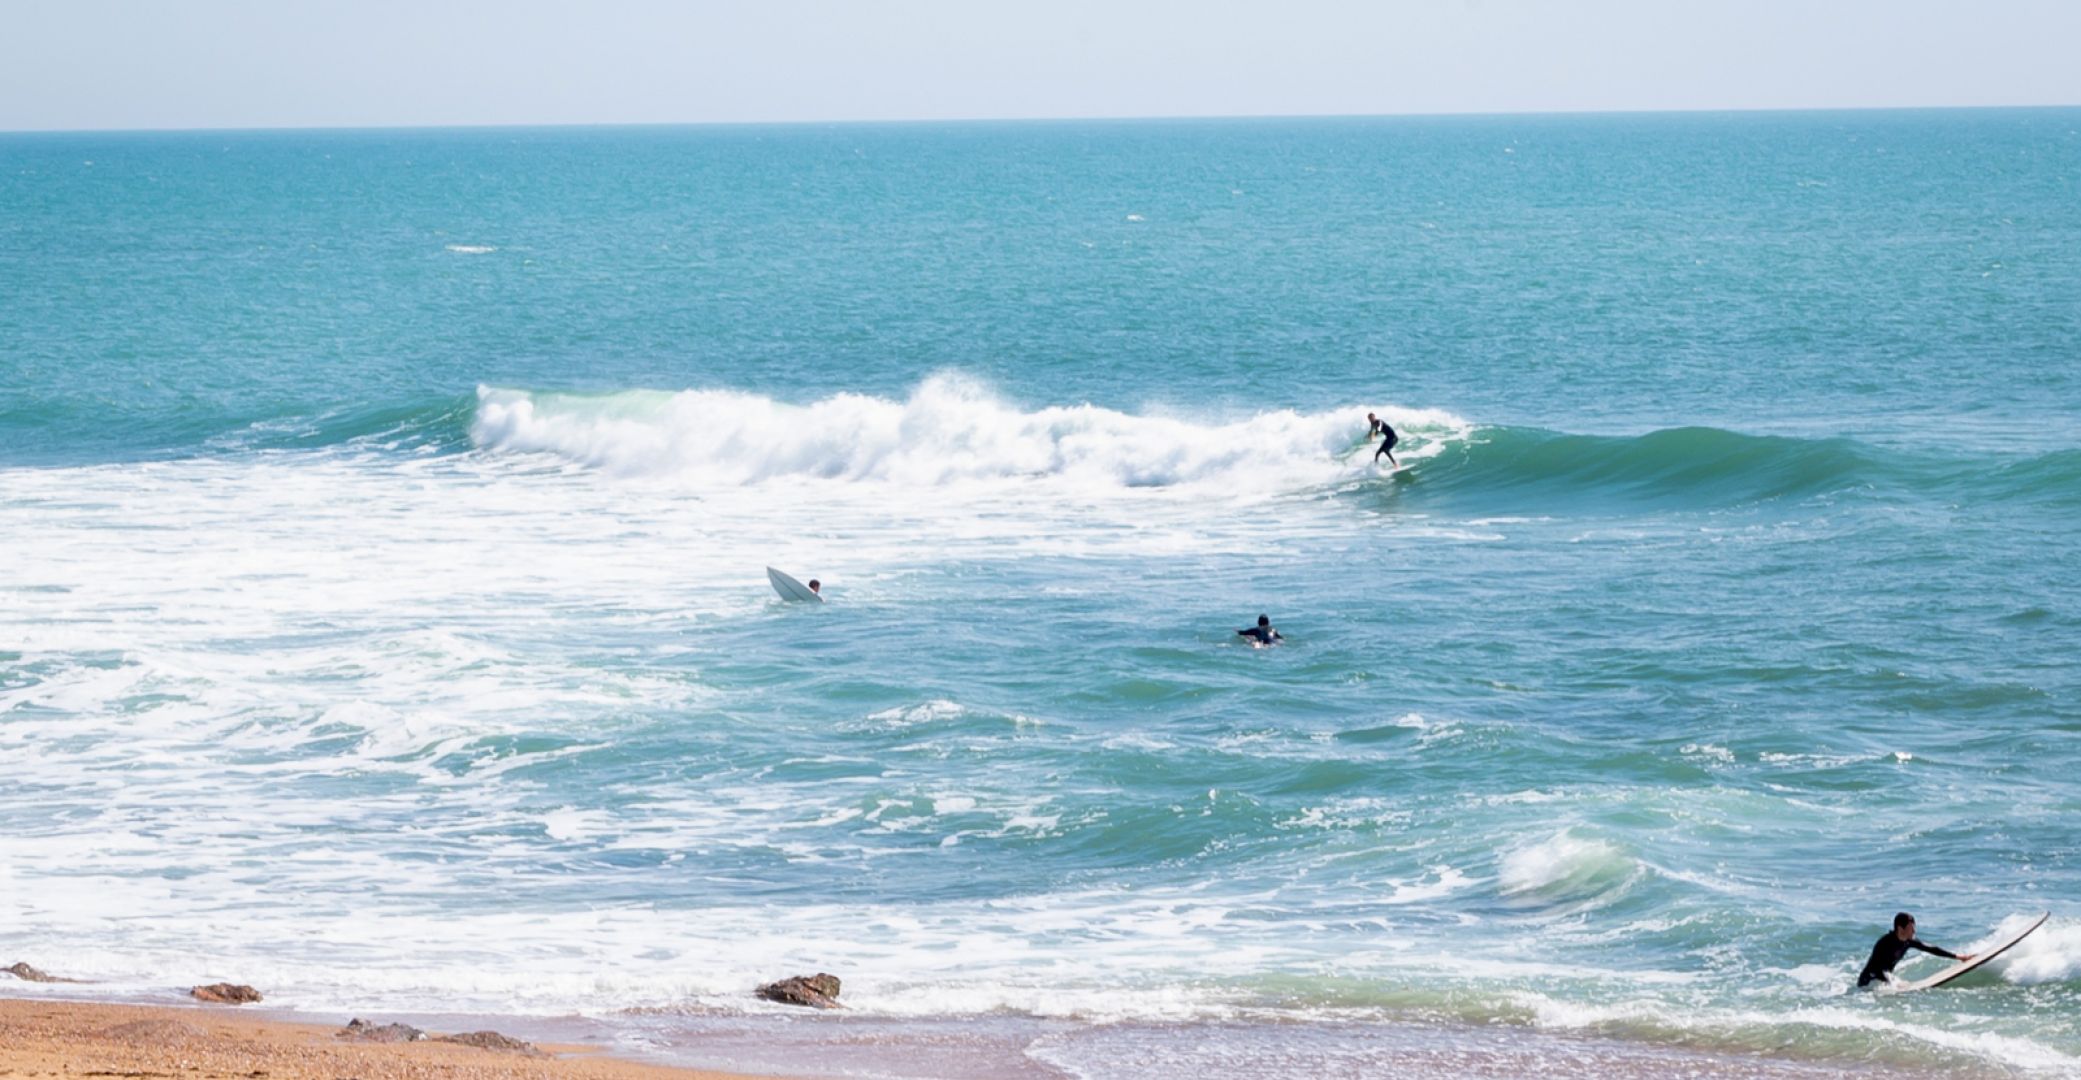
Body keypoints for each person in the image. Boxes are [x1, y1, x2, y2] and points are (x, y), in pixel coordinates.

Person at [1858, 912, 1974, 988]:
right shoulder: (1884, 944)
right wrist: (1893, 984)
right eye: (1911, 928)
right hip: (1868, 983)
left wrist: (1958, 957)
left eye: (1914, 927)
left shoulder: (1909, 941)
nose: (1914, 931)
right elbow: (1878, 969)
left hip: (1882, 981)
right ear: (1900, 928)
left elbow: (1931, 948)